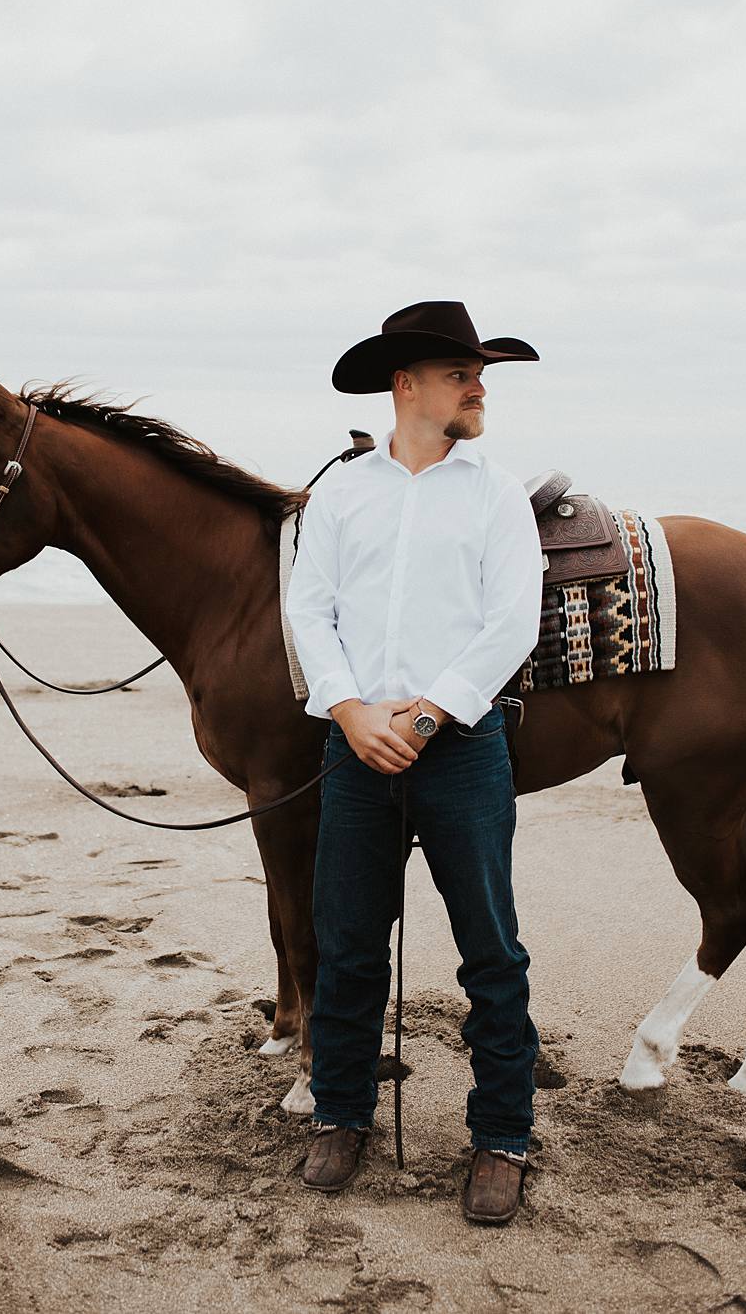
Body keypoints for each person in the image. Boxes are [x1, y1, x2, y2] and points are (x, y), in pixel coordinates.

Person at [285, 300, 545, 1224]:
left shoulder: (495, 493)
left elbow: (509, 622)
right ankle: (341, 1115)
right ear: (407, 385)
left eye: (479, 374)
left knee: (490, 948)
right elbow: (309, 612)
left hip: (461, 749)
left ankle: (503, 1135)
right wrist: (352, 712)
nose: (478, 387)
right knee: (348, 940)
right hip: (355, 747)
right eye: (460, 373)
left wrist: (428, 716)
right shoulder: (345, 494)